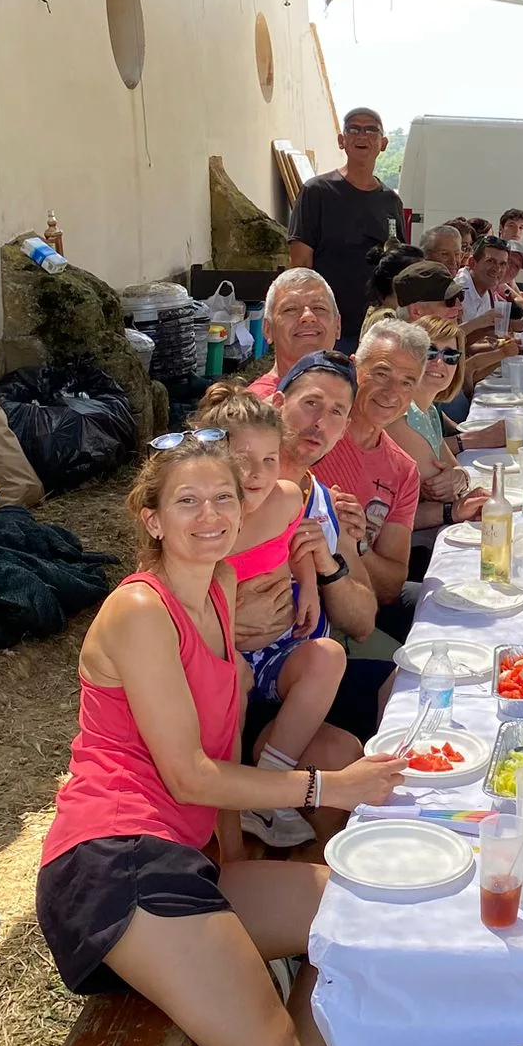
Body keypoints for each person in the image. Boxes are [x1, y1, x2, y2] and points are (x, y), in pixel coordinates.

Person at [34, 436, 405, 1046]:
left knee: (364, 929)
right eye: (187, 501)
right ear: (152, 520)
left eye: (222, 498)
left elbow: (223, 741)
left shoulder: (220, 584)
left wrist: (230, 861)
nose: (210, 515)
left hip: (185, 855)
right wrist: (326, 788)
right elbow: (188, 773)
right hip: (117, 860)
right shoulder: (141, 608)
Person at [187, 385, 362, 849]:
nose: (257, 473)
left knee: (328, 655)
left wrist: (307, 583)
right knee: (234, 680)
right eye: (243, 459)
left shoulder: (284, 498)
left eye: (269, 459)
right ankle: (228, 806)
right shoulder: (208, 524)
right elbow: (188, 599)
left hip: (279, 647)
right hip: (226, 653)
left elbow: (297, 537)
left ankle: (267, 789)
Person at [266, 353, 397, 743]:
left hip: (314, 671)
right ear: (277, 405)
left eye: (337, 412)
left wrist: (330, 564)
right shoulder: (238, 494)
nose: (321, 423)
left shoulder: (326, 502)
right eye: (311, 404)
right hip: (249, 683)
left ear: (343, 430)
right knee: (340, 753)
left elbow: (362, 623)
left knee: (409, 689)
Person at [311, 319, 427, 643]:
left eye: (407, 383)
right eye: (381, 374)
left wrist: (357, 543)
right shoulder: (313, 437)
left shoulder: (403, 469)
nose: (393, 392)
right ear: (353, 367)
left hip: (356, 606)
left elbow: (391, 586)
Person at [285, 108, 404, 351]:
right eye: (354, 129)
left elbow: (398, 266)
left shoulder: (391, 201)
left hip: (375, 327)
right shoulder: (317, 192)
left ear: (383, 143)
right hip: (328, 327)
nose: (363, 135)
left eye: (371, 129)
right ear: (342, 141)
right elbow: (300, 264)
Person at [391, 314, 491, 549]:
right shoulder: (402, 414)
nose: (439, 363)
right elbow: (441, 492)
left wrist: (459, 477)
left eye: (450, 356)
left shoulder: (428, 411)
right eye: (430, 353)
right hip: (412, 545)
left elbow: (457, 472)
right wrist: (456, 484)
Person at [249, 270, 342, 400]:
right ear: (268, 329)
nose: (308, 316)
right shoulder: (253, 410)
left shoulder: (358, 400)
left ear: (338, 325)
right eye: (290, 309)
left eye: (319, 308)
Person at [451, 234, 523, 338]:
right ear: (472, 263)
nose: (497, 269)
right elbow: (447, 340)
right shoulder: (457, 290)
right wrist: (480, 323)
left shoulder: (486, 288)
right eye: (490, 261)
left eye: (502, 264)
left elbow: (474, 339)